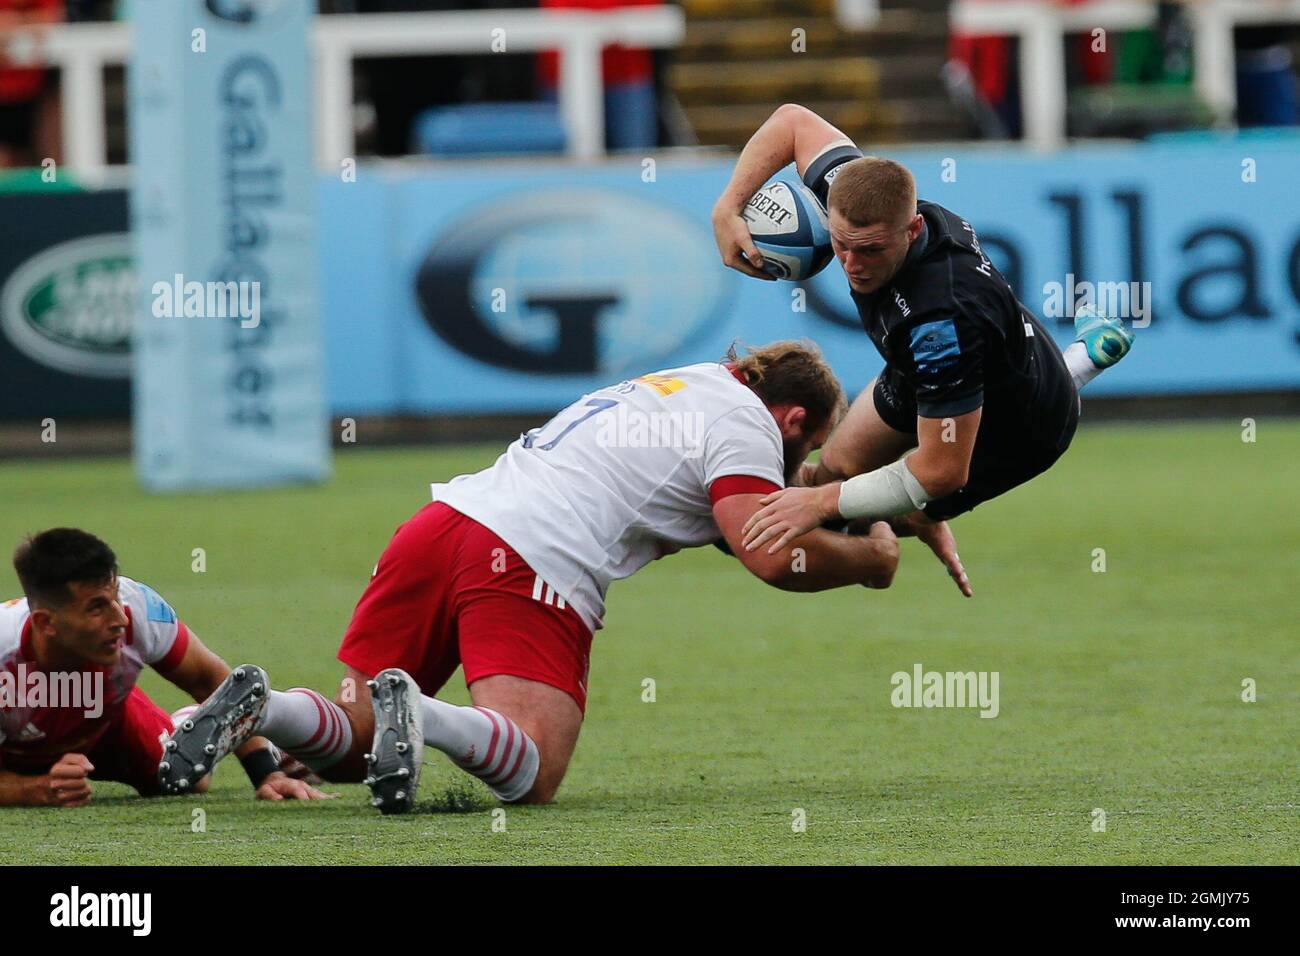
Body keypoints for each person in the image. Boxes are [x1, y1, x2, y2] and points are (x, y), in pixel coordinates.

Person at [159, 341, 904, 812]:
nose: (795, 476)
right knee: (535, 768)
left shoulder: (690, 385)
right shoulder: (746, 422)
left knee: (353, 744)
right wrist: (871, 561)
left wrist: (879, 503)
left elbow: (772, 503)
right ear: (793, 417)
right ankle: (424, 713)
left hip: (444, 523)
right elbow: (768, 549)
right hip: (529, 554)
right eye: (804, 449)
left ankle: (268, 708)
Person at [711, 104, 1134, 571]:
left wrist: (828, 504)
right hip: (963, 356)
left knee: (900, 510)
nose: (851, 265)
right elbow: (793, 122)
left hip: (1023, 426)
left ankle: (1080, 364)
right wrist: (729, 206)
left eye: (870, 250)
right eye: (841, 243)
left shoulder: (940, 322)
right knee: (837, 466)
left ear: (912, 230)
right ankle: (1084, 354)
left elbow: (941, 470)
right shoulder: (868, 196)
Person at [0, 528, 328, 806]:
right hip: (13, 755)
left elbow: (212, 681)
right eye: (97, 607)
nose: (120, 619)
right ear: (46, 623)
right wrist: (37, 789)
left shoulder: (139, 607)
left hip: (108, 725)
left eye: (115, 596)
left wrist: (265, 773)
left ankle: (185, 726)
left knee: (185, 780)